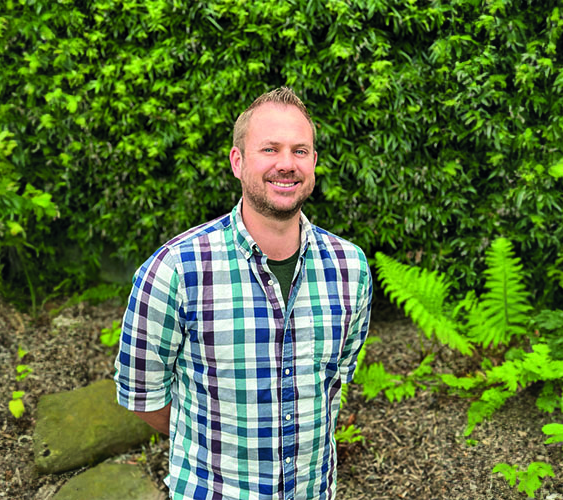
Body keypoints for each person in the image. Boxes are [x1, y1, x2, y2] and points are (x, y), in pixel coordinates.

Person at [115, 87, 373, 500]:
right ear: (238, 162)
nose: (286, 164)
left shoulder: (350, 268)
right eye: (269, 149)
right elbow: (145, 399)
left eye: (300, 151)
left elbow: (334, 385)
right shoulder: (176, 270)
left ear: (314, 162)